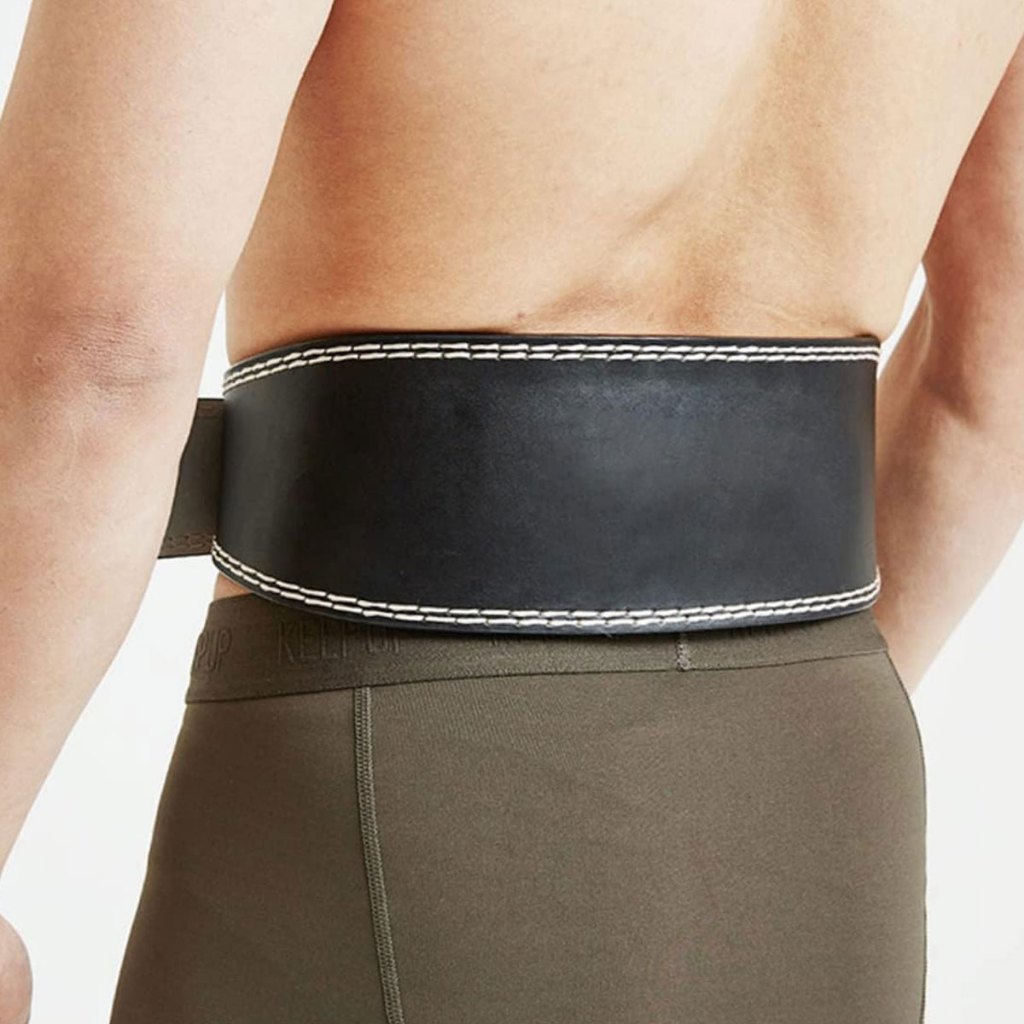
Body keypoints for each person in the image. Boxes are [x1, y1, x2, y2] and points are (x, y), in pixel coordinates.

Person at [1, 0, 1022, 1019]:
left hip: (394, 767)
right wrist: (772, 708)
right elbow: (992, 381)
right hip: (824, 791)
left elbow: (95, 357)